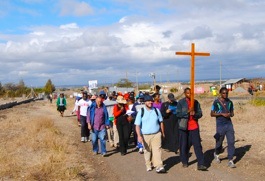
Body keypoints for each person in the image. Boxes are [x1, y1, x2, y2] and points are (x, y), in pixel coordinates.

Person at [176, 88, 207, 171]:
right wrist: (187, 112)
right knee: (184, 145)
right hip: (184, 127)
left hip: (194, 127)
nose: (189, 95)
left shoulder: (196, 102)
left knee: (197, 145)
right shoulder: (181, 102)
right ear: (185, 94)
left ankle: (200, 164)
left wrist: (195, 114)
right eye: (188, 93)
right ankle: (184, 161)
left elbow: (200, 113)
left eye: (191, 93)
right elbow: (178, 114)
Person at [135, 95, 166, 173]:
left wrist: (162, 132)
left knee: (157, 150)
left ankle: (159, 166)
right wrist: (139, 136)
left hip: (156, 134)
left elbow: (161, 122)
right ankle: (148, 164)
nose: (150, 102)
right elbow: (137, 125)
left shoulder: (156, 110)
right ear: (145, 102)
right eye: (148, 101)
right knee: (147, 151)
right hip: (145, 135)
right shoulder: (141, 112)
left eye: (151, 101)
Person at [211, 87, 236, 168]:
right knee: (219, 141)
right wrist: (221, 114)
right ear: (220, 93)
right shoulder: (216, 102)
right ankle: (216, 153)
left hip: (229, 123)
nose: (225, 94)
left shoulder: (230, 102)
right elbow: (212, 114)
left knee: (231, 141)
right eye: (224, 93)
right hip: (220, 123)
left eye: (226, 93)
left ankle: (230, 160)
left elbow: (232, 113)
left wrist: (230, 114)